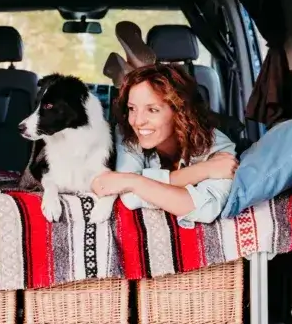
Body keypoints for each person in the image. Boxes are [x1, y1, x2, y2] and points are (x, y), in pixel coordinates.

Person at [91, 63, 239, 226]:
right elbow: (129, 197)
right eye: (132, 109)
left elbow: (206, 208)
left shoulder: (218, 147)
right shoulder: (126, 132)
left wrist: (132, 181)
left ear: (181, 112)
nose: (138, 121)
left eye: (152, 110)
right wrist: (203, 170)